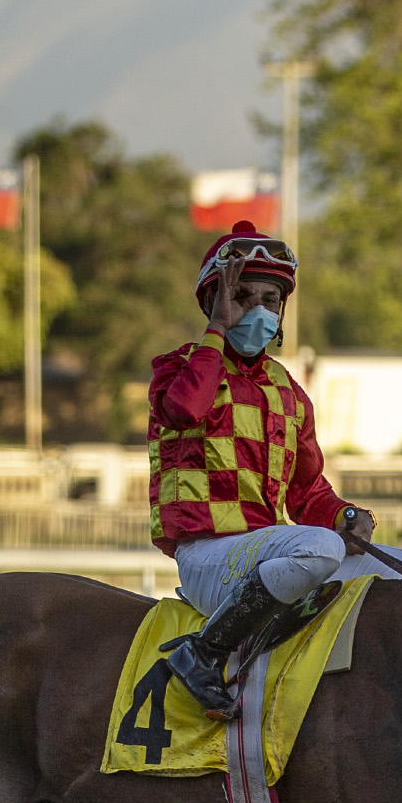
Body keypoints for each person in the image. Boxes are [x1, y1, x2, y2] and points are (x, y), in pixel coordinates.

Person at [146, 220, 376, 716]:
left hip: (268, 559)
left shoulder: (289, 391)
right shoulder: (177, 367)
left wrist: (347, 516)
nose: (257, 311)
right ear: (214, 301)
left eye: (270, 300)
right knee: (321, 547)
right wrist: (217, 331)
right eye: (241, 296)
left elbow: (308, 495)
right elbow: (184, 409)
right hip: (208, 558)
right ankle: (203, 653)